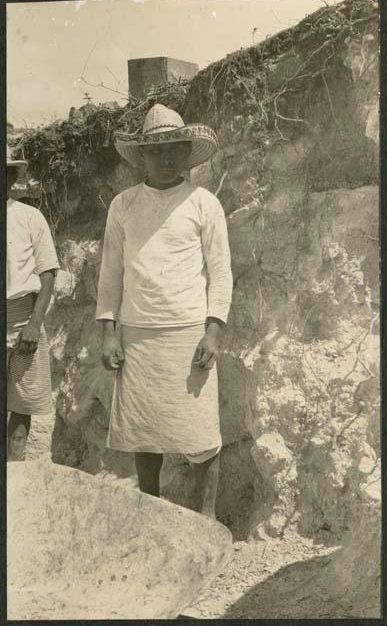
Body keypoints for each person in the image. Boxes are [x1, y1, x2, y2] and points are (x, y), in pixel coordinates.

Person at [96, 103, 233, 518]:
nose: (166, 157)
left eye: (174, 148)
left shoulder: (204, 203)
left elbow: (222, 272)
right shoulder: (123, 205)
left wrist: (212, 331)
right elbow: (110, 273)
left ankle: (206, 519)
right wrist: (109, 331)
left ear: (185, 152)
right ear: (142, 156)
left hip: (188, 333)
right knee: (144, 433)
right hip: (138, 334)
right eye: (156, 151)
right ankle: (152, 515)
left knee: (201, 435)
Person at [6, 145, 59, 461]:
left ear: (11, 177)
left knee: (22, 400)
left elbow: (48, 273)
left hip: (22, 316)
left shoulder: (29, 216)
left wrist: (35, 324)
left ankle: (15, 468)